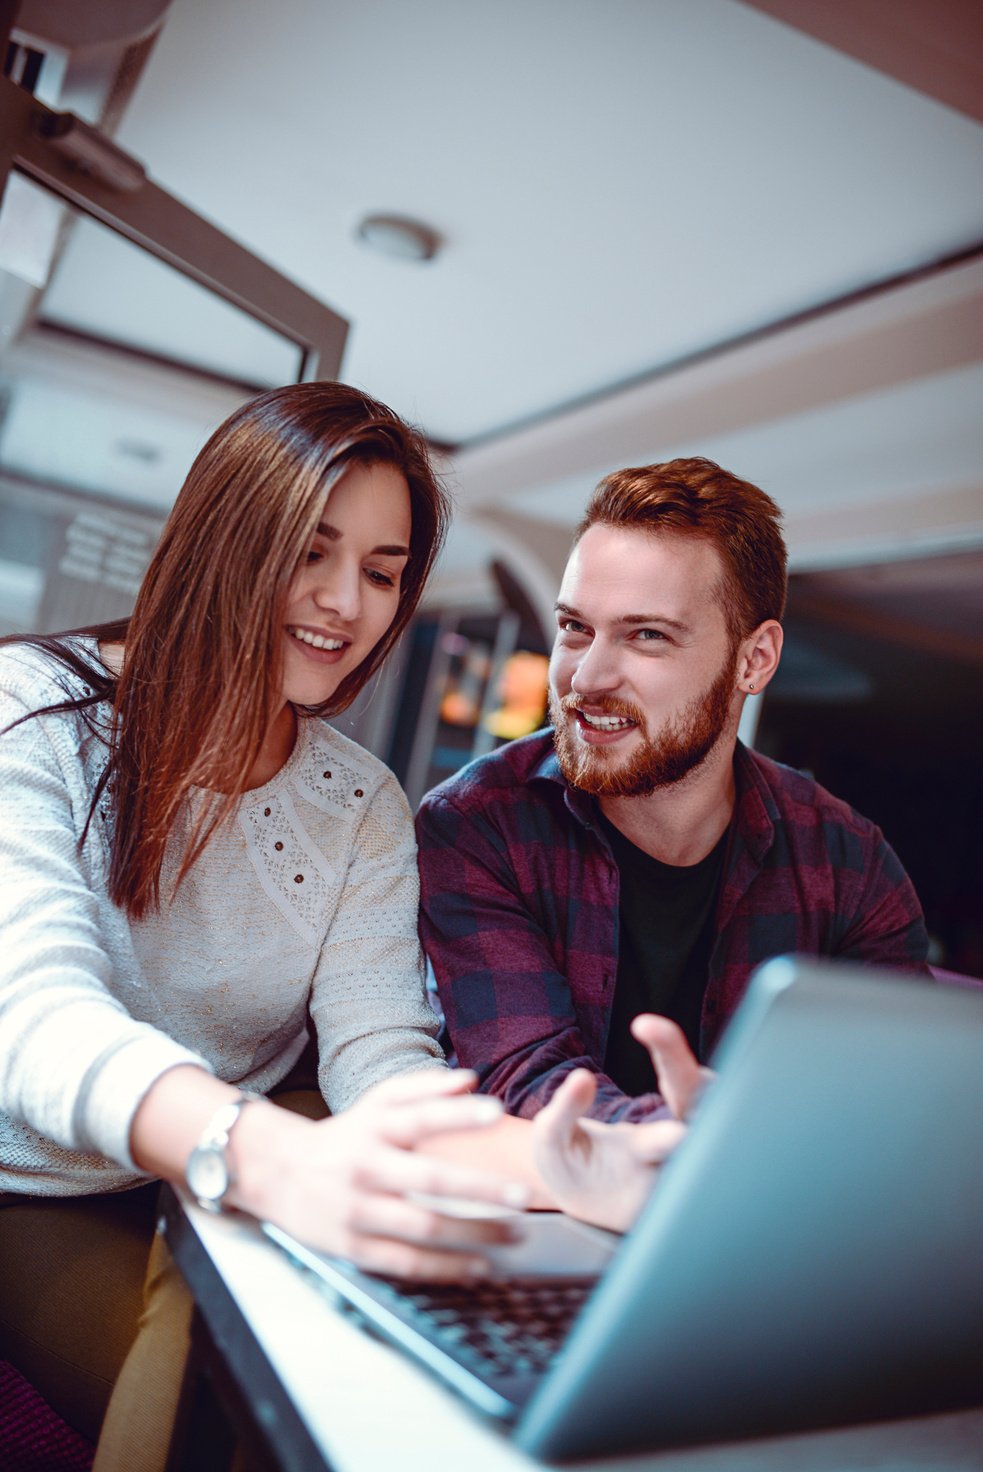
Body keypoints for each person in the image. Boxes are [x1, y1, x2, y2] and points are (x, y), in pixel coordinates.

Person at [0, 382, 539, 1464]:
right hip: (40, 1181)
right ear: (228, 536)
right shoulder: (27, 707)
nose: (346, 601)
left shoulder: (364, 804)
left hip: (225, 1166)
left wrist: (550, 1166)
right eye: (312, 549)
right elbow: (34, 1015)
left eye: (382, 572)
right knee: (225, 1404)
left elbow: (379, 1050)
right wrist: (265, 1156)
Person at [417, 457, 930, 1126]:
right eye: (575, 628)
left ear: (754, 660)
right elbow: (526, 1075)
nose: (586, 677)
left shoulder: (851, 867)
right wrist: (691, 1144)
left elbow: (899, 1099)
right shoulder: (478, 823)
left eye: (646, 635)